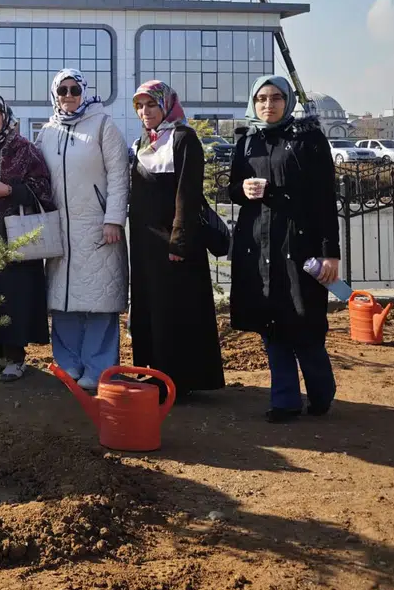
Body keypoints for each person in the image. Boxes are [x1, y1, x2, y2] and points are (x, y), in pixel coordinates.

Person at [229, 74, 340, 422]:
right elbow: (231, 189)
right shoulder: (248, 141)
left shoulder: (308, 139)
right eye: (261, 98)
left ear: (288, 101)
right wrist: (242, 190)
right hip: (259, 243)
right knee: (271, 321)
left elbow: (325, 198)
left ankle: (321, 391)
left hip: (299, 242)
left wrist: (329, 252)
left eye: (276, 98)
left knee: (303, 319)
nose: (268, 105)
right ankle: (285, 400)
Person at [128, 80, 225, 395]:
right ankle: (156, 374)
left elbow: (188, 194)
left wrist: (179, 242)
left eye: (152, 105)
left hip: (175, 243)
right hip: (146, 245)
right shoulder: (142, 143)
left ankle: (181, 381)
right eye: (140, 106)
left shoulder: (183, 139)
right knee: (153, 308)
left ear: (166, 105)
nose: (145, 112)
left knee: (177, 309)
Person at [36, 69, 129, 391]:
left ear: (85, 91)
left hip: (97, 227)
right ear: (54, 94)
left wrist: (114, 219)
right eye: (62, 90)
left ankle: (99, 367)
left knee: (99, 301)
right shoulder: (47, 132)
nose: (69, 95)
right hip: (60, 229)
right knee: (63, 301)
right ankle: (68, 364)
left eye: (75, 89)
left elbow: (119, 175)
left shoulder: (104, 126)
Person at [0, 95, 52, 382]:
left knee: (14, 294)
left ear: (6, 115)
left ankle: (16, 358)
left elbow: (42, 187)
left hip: (13, 233)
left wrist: (8, 191)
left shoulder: (23, 148)